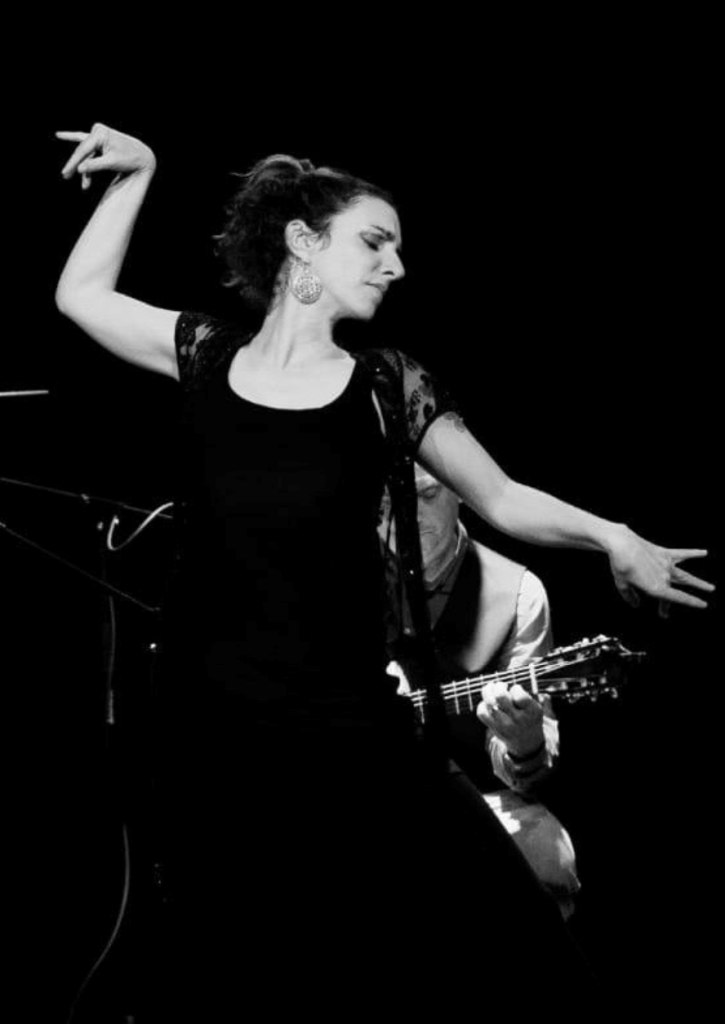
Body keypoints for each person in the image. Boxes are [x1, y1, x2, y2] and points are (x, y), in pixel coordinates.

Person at [55, 124, 712, 1018]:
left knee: (520, 947)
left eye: (396, 249)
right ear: (302, 243)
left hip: (348, 719)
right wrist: (140, 174)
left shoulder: (384, 384)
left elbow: (501, 497)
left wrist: (614, 536)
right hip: (215, 729)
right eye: (373, 242)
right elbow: (81, 295)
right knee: (249, 972)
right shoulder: (206, 356)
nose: (395, 266)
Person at [383, 464, 580, 919]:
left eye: (427, 496)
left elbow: (524, 773)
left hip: (473, 795)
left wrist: (524, 742)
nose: (408, 516)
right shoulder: (338, 579)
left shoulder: (518, 595)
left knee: (549, 855)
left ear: (461, 492)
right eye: (388, 503)